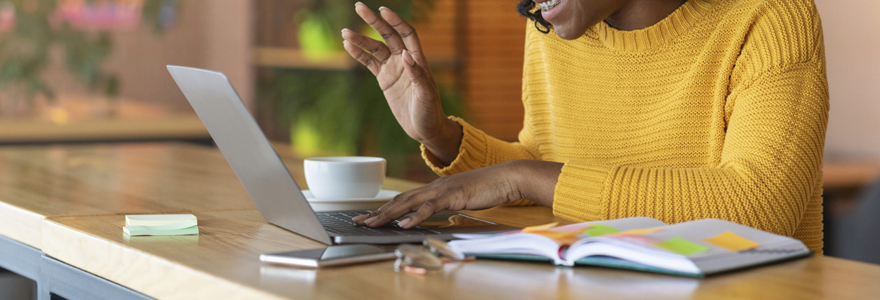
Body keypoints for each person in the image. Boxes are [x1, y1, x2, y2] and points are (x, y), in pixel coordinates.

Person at [342, 0, 828, 252]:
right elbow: (549, 163)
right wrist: (441, 137)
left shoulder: (769, 16)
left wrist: (520, 177)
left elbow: (761, 206)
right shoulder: (553, 29)